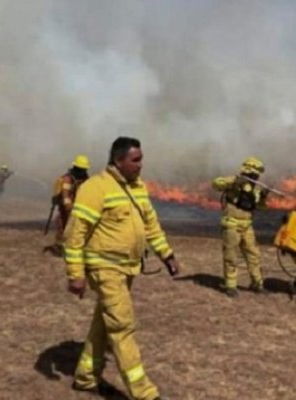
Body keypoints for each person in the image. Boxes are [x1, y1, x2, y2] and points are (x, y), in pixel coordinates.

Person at [64, 137, 180, 400]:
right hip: (104, 269)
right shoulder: (96, 188)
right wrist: (75, 274)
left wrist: (167, 254)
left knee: (103, 324)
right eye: (135, 160)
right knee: (122, 327)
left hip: (127, 268)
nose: (141, 165)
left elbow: (150, 224)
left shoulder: (138, 187)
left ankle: (84, 377)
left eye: (141, 159)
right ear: (118, 160)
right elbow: (75, 234)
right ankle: (144, 393)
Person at [211, 157, 269, 297]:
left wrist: (262, 197)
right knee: (231, 256)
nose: (257, 176)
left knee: (253, 255)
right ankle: (231, 286)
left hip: (247, 225)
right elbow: (215, 184)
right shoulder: (234, 181)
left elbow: (260, 208)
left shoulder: (255, 187)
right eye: (255, 173)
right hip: (232, 223)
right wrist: (235, 181)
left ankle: (257, 284)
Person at [45, 155, 90, 256]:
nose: (83, 171)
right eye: (81, 169)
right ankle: (59, 247)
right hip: (66, 205)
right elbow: (65, 193)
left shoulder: (85, 178)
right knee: (63, 225)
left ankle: (74, 246)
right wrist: (68, 206)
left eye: (84, 169)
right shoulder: (68, 178)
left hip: (77, 204)